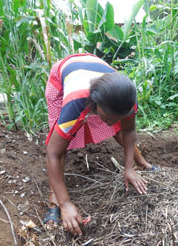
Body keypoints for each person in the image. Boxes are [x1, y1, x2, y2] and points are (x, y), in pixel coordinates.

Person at [43, 53, 157, 235]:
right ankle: (54, 199)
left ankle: (142, 163)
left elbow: (128, 130)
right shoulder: (75, 103)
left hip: (94, 75)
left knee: (120, 130)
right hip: (62, 78)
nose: (110, 124)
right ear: (94, 104)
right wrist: (66, 203)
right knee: (60, 143)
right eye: (106, 118)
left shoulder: (127, 99)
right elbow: (53, 154)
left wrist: (129, 167)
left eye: (115, 119)